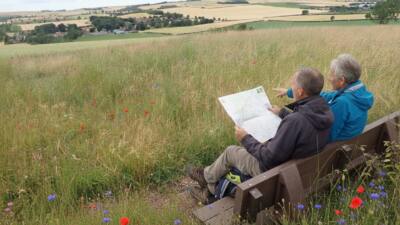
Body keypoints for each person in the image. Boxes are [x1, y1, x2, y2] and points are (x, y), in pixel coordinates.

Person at [188, 67, 334, 203]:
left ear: (301, 92)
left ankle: (208, 184)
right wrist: (282, 113)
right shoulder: (325, 110)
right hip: (299, 167)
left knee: (230, 152)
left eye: (293, 85)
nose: (291, 87)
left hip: (276, 172)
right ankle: (210, 177)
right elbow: (303, 123)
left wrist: (245, 138)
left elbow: (269, 159)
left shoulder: (295, 121)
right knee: (259, 143)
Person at [274, 54, 374, 142]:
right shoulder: (356, 91)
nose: (329, 78)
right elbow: (326, 96)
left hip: (332, 151)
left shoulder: (342, 103)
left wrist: (283, 113)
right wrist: (291, 92)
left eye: (331, 74)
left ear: (342, 80)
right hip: (349, 145)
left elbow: (323, 136)